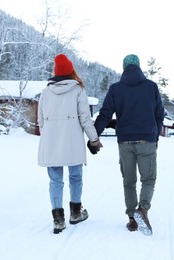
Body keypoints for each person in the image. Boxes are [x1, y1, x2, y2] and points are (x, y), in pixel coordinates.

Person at [93, 54, 164, 235]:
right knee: (148, 179)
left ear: (123, 68)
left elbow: (105, 114)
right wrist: (154, 135)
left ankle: (132, 220)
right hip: (146, 140)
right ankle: (143, 209)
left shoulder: (116, 89)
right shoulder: (151, 87)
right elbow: (159, 114)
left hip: (125, 142)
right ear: (139, 67)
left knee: (129, 181)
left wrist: (94, 137)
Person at [38, 53, 103, 234]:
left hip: (51, 143)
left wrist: (50, 136)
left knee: (55, 181)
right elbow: (85, 118)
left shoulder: (45, 93)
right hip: (73, 142)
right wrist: (94, 139)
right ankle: (75, 213)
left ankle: (58, 220)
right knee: (75, 177)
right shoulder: (78, 90)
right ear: (71, 71)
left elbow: (41, 121)